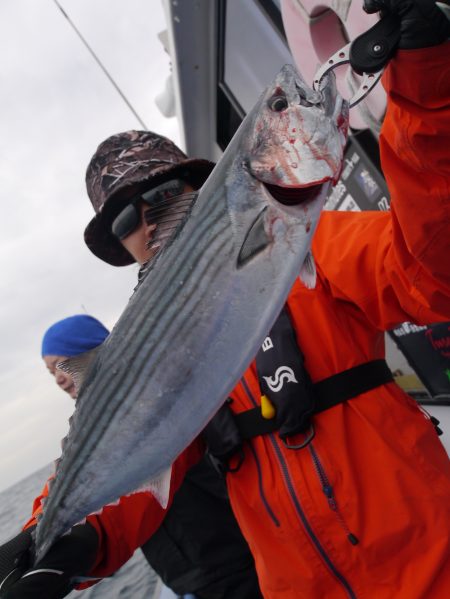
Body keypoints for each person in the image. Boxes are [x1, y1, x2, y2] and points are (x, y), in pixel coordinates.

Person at [1, 1, 450, 597]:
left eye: (165, 192)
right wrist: (57, 540)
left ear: (203, 187)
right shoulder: (147, 350)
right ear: (123, 248)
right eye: (124, 220)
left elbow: (431, 275)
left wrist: (425, 89)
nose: (149, 218)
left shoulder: (310, 243)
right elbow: (124, 455)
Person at [0, 317, 262, 598]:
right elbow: (68, 483)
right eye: (51, 372)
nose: (59, 378)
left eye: (63, 363)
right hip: (184, 576)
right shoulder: (86, 432)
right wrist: (38, 536)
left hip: (234, 558)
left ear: (94, 353)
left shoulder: (156, 393)